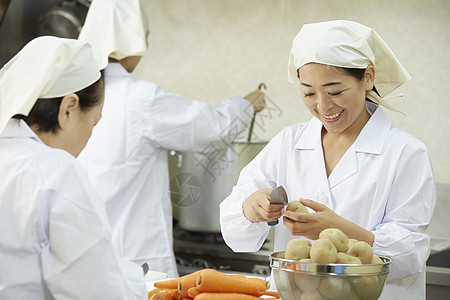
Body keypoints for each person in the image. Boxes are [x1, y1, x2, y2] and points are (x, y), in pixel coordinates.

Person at [220, 20, 436, 299]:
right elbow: (235, 230)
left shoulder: (405, 153)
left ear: (368, 77)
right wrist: (252, 208)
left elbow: (409, 254)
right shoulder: (289, 143)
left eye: (335, 91)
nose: (322, 106)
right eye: (308, 92)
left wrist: (337, 229)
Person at [76, 0, 266, 277]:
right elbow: (210, 129)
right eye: (145, 34)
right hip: (135, 261)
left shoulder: (79, 98)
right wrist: (246, 106)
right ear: (133, 40)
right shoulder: (139, 99)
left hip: (87, 259)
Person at [0, 36, 147, 299]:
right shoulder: (55, 171)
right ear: (68, 109)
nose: (89, 137)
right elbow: (98, 292)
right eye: (93, 123)